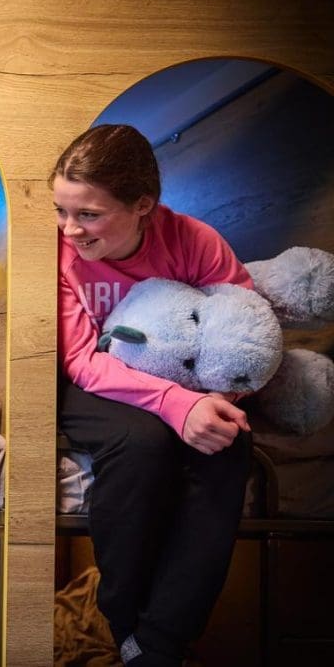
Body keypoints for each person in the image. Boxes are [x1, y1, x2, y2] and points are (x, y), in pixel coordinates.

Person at [54, 124, 253, 666]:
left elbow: (241, 330)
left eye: (88, 214)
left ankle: (160, 642)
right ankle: (123, 620)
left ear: (144, 204)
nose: (70, 229)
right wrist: (174, 405)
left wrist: (211, 401)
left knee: (228, 447)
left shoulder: (193, 241)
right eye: (61, 210)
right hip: (97, 382)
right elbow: (79, 361)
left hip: (190, 381)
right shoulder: (59, 254)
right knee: (141, 443)